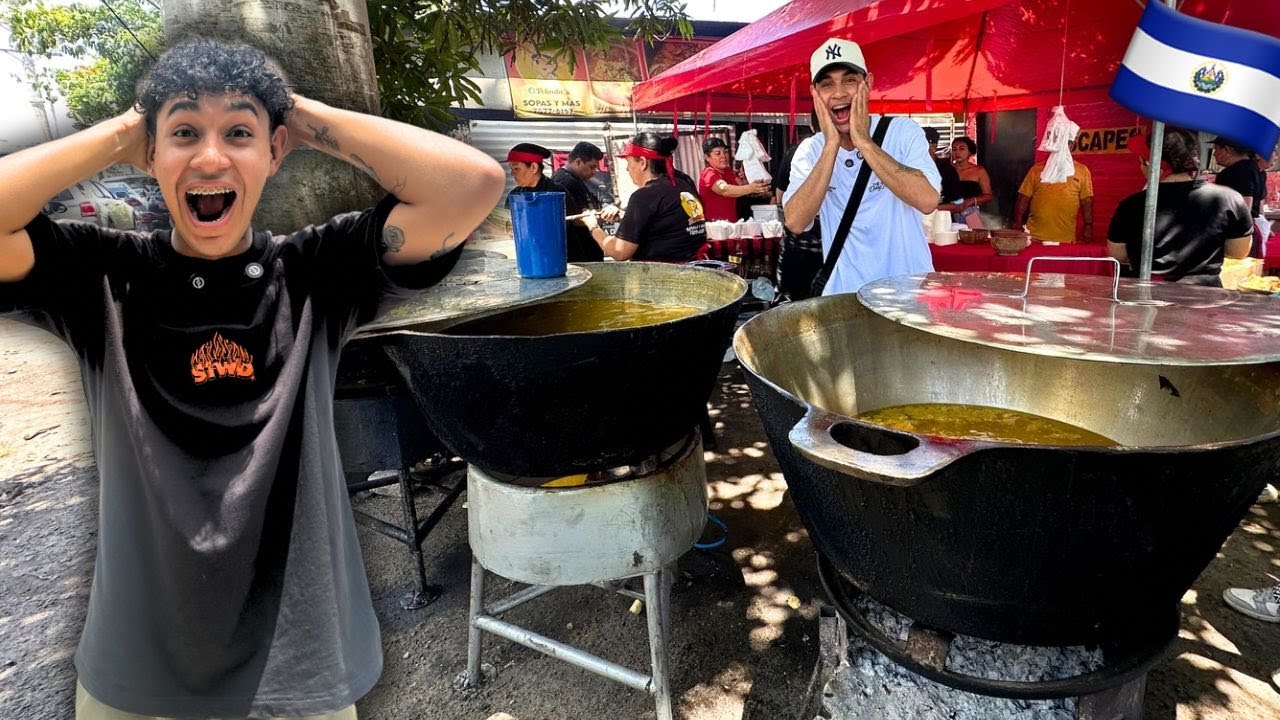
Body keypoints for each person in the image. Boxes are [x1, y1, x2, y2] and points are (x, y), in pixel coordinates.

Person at [0, 38, 505, 719]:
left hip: (301, 673)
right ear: (150, 154)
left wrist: (291, 111)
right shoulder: (99, 278)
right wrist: (123, 130)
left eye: (238, 132)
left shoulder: (315, 273)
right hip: (135, 675)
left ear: (274, 152)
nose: (211, 157)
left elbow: (472, 185)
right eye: (183, 133)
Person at [782, 36, 941, 295]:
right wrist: (831, 144)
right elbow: (796, 222)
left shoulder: (902, 132)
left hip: (909, 295)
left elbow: (927, 200)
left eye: (849, 80)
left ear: (868, 83)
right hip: (845, 298)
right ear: (815, 94)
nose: (839, 93)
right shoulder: (811, 150)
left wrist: (864, 142)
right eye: (826, 84)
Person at [1107, 127, 1252, 285]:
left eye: (1141, 160)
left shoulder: (1131, 205)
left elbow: (1118, 254)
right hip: (1205, 299)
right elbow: (1239, 252)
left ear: (1152, 164)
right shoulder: (1229, 199)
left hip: (1147, 297)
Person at [584, 132, 706, 262]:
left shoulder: (644, 196)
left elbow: (620, 252)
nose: (627, 169)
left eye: (628, 162)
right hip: (693, 269)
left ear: (642, 162)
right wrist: (624, 216)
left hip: (663, 276)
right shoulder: (684, 184)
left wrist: (593, 226)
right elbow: (667, 223)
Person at [774, 114, 824, 301]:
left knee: (795, 308)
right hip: (832, 251)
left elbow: (779, 196)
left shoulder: (796, 153)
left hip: (798, 248)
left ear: (812, 126)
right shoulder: (862, 154)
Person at [1012, 151, 1095, 243]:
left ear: (1072, 145)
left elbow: (1087, 202)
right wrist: (1017, 224)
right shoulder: (1037, 169)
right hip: (1034, 238)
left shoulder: (1082, 170)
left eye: (1067, 142)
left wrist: (1088, 226)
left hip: (1065, 240)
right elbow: (1023, 198)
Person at [550, 141, 607, 262]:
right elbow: (571, 219)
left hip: (588, 252)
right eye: (592, 167)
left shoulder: (575, 180)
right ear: (578, 162)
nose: (594, 171)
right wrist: (594, 219)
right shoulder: (563, 182)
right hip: (578, 255)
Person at [1211, 135, 1262, 256]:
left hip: (1236, 237)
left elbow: (1245, 204)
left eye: (1216, 149)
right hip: (1247, 233)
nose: (1214, 154)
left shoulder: (1238, 171)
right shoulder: (1252, 167)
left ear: (1227, 150)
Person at [698, 137, 769, 222]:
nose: (723, 156)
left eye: (725, 152)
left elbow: (741, 186)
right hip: (715, 228)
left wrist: (748, 179)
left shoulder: (728, 171)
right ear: (707, 157)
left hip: (732, 225)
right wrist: (751, 188)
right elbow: (725, 190)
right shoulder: (708, 174)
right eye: (718, 153)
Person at [938, 136, 992, 228]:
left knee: (973, 238)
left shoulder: (979, 171)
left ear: (970, 152)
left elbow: (988, 195)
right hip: (947, 213)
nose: (957, 152)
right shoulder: (946, 170)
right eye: (954, 149)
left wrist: (972, 200)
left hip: (970, 212)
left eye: (962, 149)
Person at [923, 126, 961, 207]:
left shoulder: (947, 170)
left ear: (934, 146)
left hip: (941, 217)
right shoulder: (909, 169)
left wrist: (932, 208)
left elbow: (958, 203)